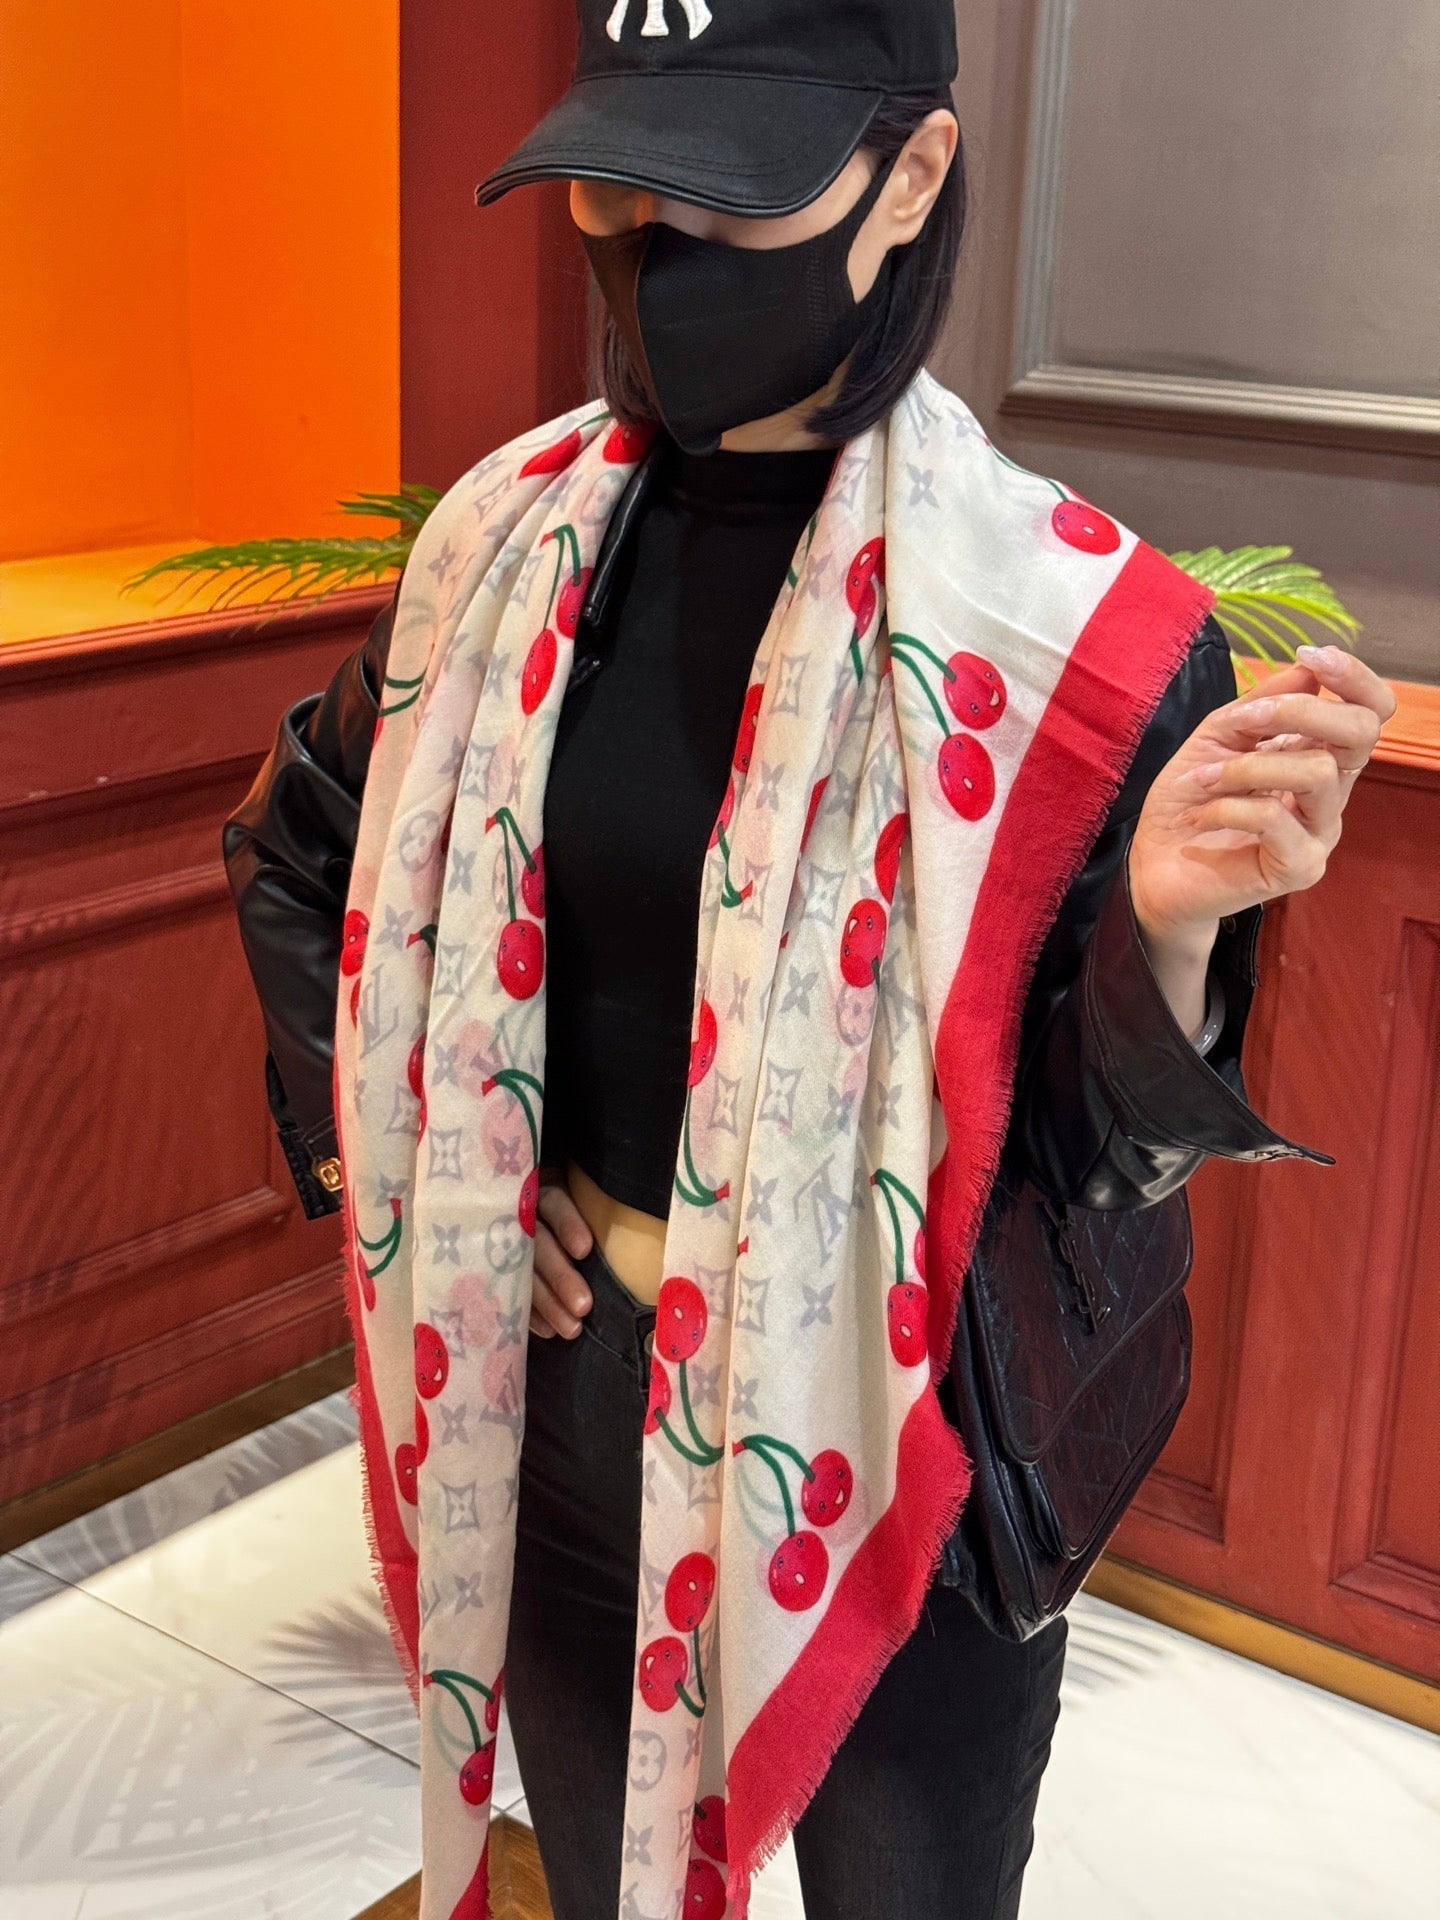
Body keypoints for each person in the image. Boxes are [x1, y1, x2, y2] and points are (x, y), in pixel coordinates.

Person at [224, 6, 1394, 1917]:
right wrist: (424, 1161)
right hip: (562, 1395)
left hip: (909, 1441)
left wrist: (1169, 924)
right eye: (618, 187)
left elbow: (1092, 1161)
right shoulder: (503, 554)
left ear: (911, 177)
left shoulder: (1074, 641)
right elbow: (299, 854)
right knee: (602, 1880)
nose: (656, 247)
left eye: (730, 195)